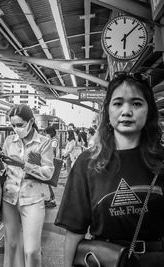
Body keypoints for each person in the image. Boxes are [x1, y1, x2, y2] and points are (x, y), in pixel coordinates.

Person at [55, 72, 164, 267]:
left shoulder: (161, 160)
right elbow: (75, 232)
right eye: (118, 103)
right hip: (104, 261)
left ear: (149, 111)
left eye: (137, 103)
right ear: (107, 111)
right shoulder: (87, 163)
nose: (126, 111)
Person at [0, 104, 54, 267]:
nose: (16, 129)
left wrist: (24, 164)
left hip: (33, 200)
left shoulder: (44, 143)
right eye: (13, 125)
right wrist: (1, 163)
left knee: (31, 250)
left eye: (20, 125)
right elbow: (4, 167)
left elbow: (48, 172)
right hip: (9, 199)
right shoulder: (9, 141)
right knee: (12, 245)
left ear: (31, 122)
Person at [44, 125, 59, 208]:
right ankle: (49, 199)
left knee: (47, 181)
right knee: (46, 181)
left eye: (46, 133)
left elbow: (52, 150)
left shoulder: (54, 141)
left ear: (50, 133)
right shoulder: (50, 141)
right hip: (48, 163)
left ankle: (52, 199)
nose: (46, 135)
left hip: (51, 163)